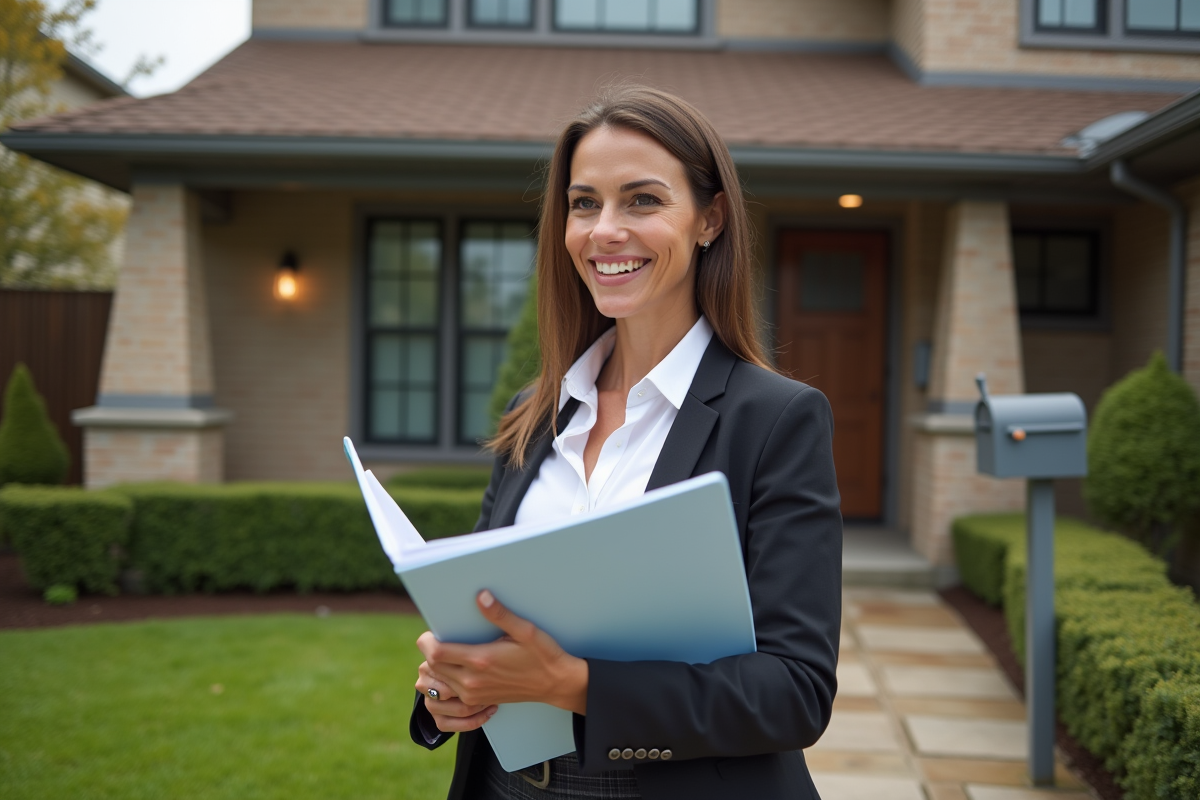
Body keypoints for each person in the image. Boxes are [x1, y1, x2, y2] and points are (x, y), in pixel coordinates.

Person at [410, 85, 842, 800]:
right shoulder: (534, 415)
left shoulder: (776, 421)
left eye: (642, 200)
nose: (605, 230)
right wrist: (450, 688)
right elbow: (482, 619)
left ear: (710, 219)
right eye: (584, 203)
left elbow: (793, 690)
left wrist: (574, 686)